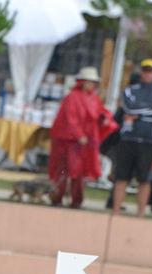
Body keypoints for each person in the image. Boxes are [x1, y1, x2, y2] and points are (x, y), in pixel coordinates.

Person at [111, 59, 152, 218]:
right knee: (122, 176)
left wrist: (139, 114)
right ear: (140, 72)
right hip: (129, 138)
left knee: (145, 178)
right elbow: (128, 108)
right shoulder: (130, 90)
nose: (147, 74)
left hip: (149, 140)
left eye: (150, 71)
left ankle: (140, 214)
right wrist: (150, 111)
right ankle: (116, 212)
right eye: (145, 70)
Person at [47, 67, 114, 208]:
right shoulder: (72, 97)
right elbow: (70, 118)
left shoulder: (93, 98)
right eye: (89, 82)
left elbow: (100, 113)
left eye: (93, 82)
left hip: (83, 142)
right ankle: (57, 197)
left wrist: (104, 119)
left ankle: (76, 200)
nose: (91, 85)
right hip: (67, 140)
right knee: (63, 169)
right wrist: (79, 135)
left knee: (80, 171)